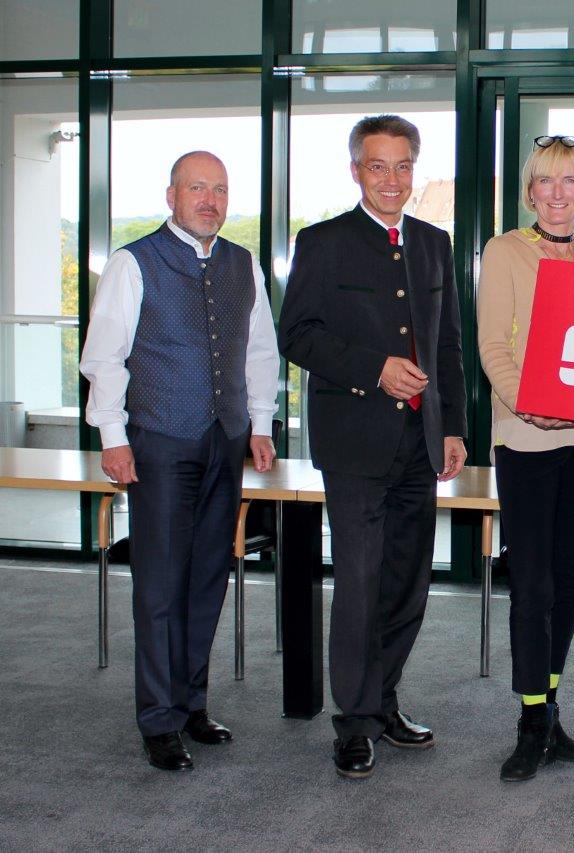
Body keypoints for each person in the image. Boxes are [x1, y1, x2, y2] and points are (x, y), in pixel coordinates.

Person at [278, 114, 467, 780]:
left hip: (421, 442)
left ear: (415, 170)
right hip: (354, 444)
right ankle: (355, 721)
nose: (392, 179)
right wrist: (373, 368)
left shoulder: (435, 244)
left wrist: (453, 427)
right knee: (358, 586)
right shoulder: (323, 242)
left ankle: (383, 702)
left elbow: (448, 343)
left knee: (406, 584)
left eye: (403, 166)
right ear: (356, 170)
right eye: (378, 166)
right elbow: (296, 335)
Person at [81, 151, 279, 772]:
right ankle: (159, 719)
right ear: (172, 195)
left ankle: (192, 702)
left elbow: (260, 351)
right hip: (160, 441)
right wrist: (112, 435)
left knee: (207, 578)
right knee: (161, 584)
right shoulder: (132, 262)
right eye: (197, 188)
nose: (209, 200)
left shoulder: (243, 263)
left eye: (219, 189)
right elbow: (104, 356)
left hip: (225, 438)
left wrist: (261, 425)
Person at [476, 135, 574, 782]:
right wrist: (530, 405)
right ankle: (530, 718)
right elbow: (493, 347)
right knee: (532, 583)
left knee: (570, 579)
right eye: (545, 180)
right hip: (529, 437)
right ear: (530, 192)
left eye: (570, 181)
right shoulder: (505, 251)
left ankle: (550, 705)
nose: (558, 192)